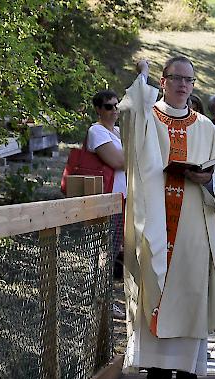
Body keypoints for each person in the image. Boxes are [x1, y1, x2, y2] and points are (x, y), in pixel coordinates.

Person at [119, 56, 215, 379]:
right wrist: (141, 76)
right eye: (176, 78)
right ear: (164, 81)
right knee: (156, 294)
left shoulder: (206, 127)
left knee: (190, 298)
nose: (183, 85)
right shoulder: (147, 118)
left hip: (193, 225)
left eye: (189, 80)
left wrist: (208, 178)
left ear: (194, 85)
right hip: (156, 221)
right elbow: (128, 116)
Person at [88, 90, 128, 317]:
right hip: (108, 201)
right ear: (98, 109)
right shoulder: (97, 131)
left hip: (123, 200)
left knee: (115, 252)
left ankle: (106, 299)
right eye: (108, 107)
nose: (113, 111)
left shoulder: (119, 132)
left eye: (116, 106)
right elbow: (119, 161)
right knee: (107, 252)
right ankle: (101, 301)